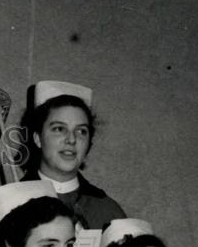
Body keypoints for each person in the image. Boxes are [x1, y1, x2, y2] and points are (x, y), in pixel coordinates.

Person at [20, 80, 125, 230]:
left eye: (81, 131)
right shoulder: (5, 204)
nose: (71, 139)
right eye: (59, 129)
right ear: (38, 138)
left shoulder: (109, 212)